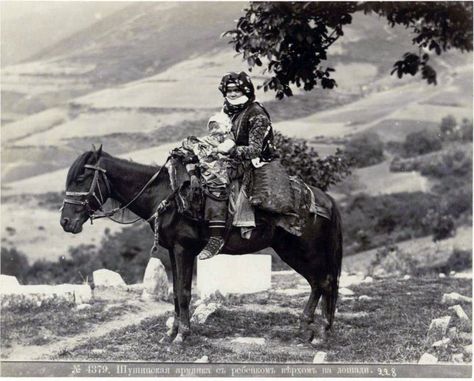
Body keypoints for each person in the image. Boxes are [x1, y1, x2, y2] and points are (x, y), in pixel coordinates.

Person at [195, 71, 275, 260]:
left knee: (215, 178)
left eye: (236, 90)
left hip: (253, 161)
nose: (232, 94)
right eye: (228, 90)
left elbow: (255, 150)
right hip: (231, 156)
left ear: (245, 90)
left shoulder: (257, 114)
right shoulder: (230, 110)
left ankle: (216, 238)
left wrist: (229, 151)